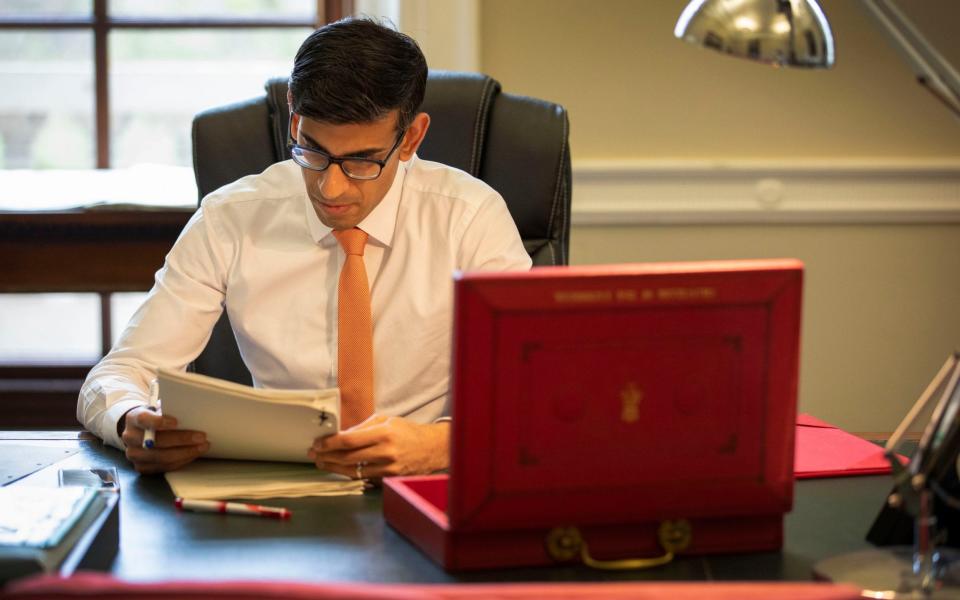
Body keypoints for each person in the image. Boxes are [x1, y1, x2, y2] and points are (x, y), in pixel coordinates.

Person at [77, 18, 531, 478]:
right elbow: (119, 374)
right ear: (294, 116)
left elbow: (533, 390)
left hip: (426, 483)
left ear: (411, 137)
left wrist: (442, 446)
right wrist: (131, 420)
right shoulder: (231, 218)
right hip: (283, 486)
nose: (331, 188)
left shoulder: (470, 217)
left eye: (361, 161)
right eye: (313, 152)